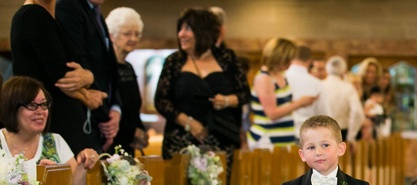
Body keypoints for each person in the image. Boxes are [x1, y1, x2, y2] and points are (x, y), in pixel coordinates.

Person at [154, 8, 249, 162]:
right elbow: (161, 100)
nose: (181, 34)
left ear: (203, 32)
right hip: (180, 141)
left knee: (219, 184)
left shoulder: (227, 58)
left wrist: (226, 100)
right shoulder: (174, 61)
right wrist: (189, 123)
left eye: (188, 29)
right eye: (180, 29)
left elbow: (244, 94)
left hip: (221, 139)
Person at [10, 0, 105, 153]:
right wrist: (87, 96)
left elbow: (72, 68)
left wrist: (88, 76)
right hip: (51, 118)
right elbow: (62, 77)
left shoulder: (50, 18)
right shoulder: (33, 15)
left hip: (60, 116)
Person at [0, 76, 97, 185]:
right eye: (32, 105)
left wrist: (84, 164)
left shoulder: (55, 141)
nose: (40, 111)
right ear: (11, 108)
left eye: (44, 105)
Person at [56, 0, 121, 152]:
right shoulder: (69, 7)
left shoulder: (95, 12)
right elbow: (78, 62)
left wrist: (115, 110)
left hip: (98, 116)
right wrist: (105, 119)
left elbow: (109, 72)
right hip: (83, 115)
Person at [247, 38, 316, 149]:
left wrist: (305, 102)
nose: (289, 64)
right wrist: (299, 103)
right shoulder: (264, 79)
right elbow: (272, 114)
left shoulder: (281, 74)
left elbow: (283, 103)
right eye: (287, 60)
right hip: (268, 139)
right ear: (278, 57)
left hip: (285, 137)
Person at [105, 7, 148, 155]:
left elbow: (133, 106)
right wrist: (133, 131)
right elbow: (108, 106)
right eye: (127, 34)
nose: (134, 39)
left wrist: (141, 130)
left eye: (137, 34)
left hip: (129, 144)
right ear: (112, 35)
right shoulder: (105, 66)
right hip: (110, 142)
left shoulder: (128, 67)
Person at [284, 46, 329, 142]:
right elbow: (324, 116)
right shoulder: (316, 84)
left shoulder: (280, 79)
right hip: (306, 135)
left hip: (281, 133)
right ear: (309, 61)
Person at [321, 55, 365, 143]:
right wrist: (351, 137)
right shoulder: (348, 87)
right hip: (342, 132)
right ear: (343, 70)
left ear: (327, 69)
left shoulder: (319, 86)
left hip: (321, 132)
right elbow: (357, 112)